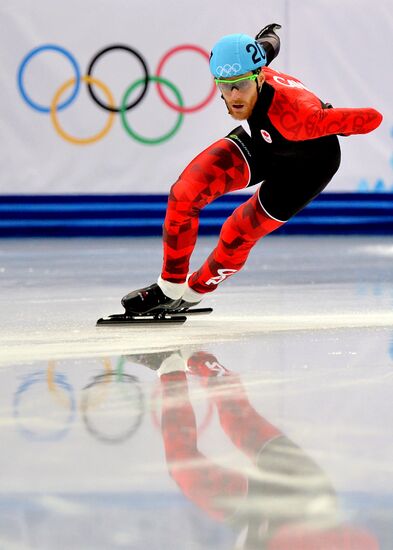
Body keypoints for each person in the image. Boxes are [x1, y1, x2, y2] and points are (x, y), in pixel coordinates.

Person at [121, 25, 383, 316]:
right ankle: (169, 288)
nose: (234, 94)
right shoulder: (255, 60)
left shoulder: (298, 115)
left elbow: (373, 119)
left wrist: (327, 119)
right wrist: (270, 35)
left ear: (259, 77)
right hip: (262, 142)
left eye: (242, 84)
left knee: (238, 231)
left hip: (307, 167)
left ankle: (196, 290)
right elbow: (270, 43)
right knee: (185, 192)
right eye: (225, 85)